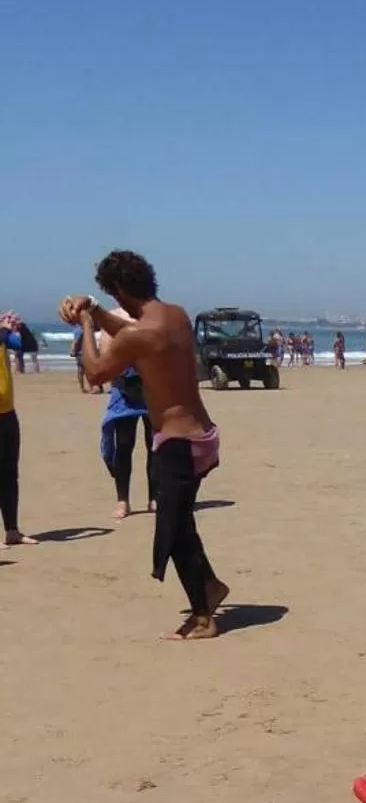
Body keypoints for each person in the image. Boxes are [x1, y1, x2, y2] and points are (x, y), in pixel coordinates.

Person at [61, 251, 230, 639]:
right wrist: (95, 309)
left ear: (120, 290)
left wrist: (86, 324)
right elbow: (132, 333)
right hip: (201, 435)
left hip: (178, 444)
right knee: (181, 523)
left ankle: (203, 617)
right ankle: (210, 587)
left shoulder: (138, 336)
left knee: (173, 531)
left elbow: (96, 371)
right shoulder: (175, 315)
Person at [100, 338, 156, 519]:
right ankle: (122, 500)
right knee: (124, 445)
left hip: (152, 386)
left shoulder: (150, 322)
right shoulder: (113, 325)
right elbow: (106, 354)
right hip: (124, 390)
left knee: (155, 445)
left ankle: (154, 497)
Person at [0, 311, 37, 545]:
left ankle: (12, 530)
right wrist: (4, 329)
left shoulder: (3, 336)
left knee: (9, 473)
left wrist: (20, 327)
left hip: (7, 413)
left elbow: (28, 346)